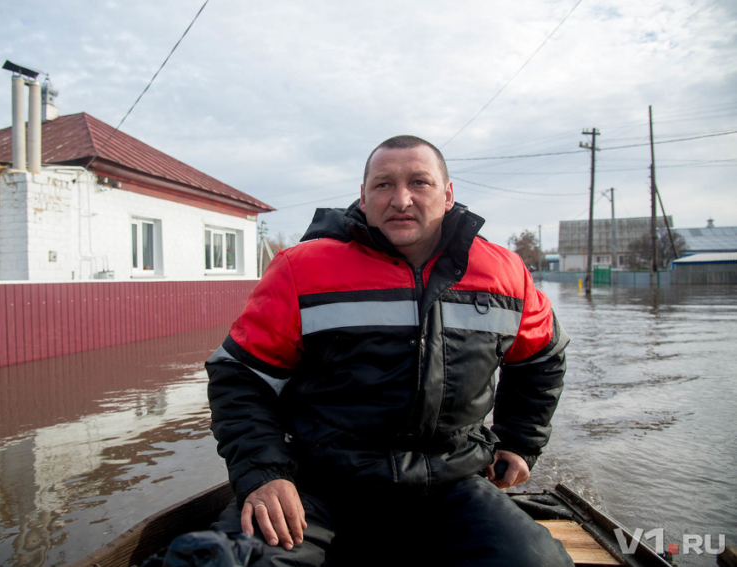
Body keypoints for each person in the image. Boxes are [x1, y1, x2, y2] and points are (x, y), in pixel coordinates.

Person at [205, 135, 572, 566]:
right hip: (320, 484)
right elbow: (241, 377)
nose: (401, 199)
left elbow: (541, 359)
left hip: (450, 481)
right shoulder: (300, 270)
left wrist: (519, 441)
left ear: (448, 194)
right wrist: (264, 475)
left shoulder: (503, 273)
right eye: (383, 185)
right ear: (362, 196)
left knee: (537, 563)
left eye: (420, 183)